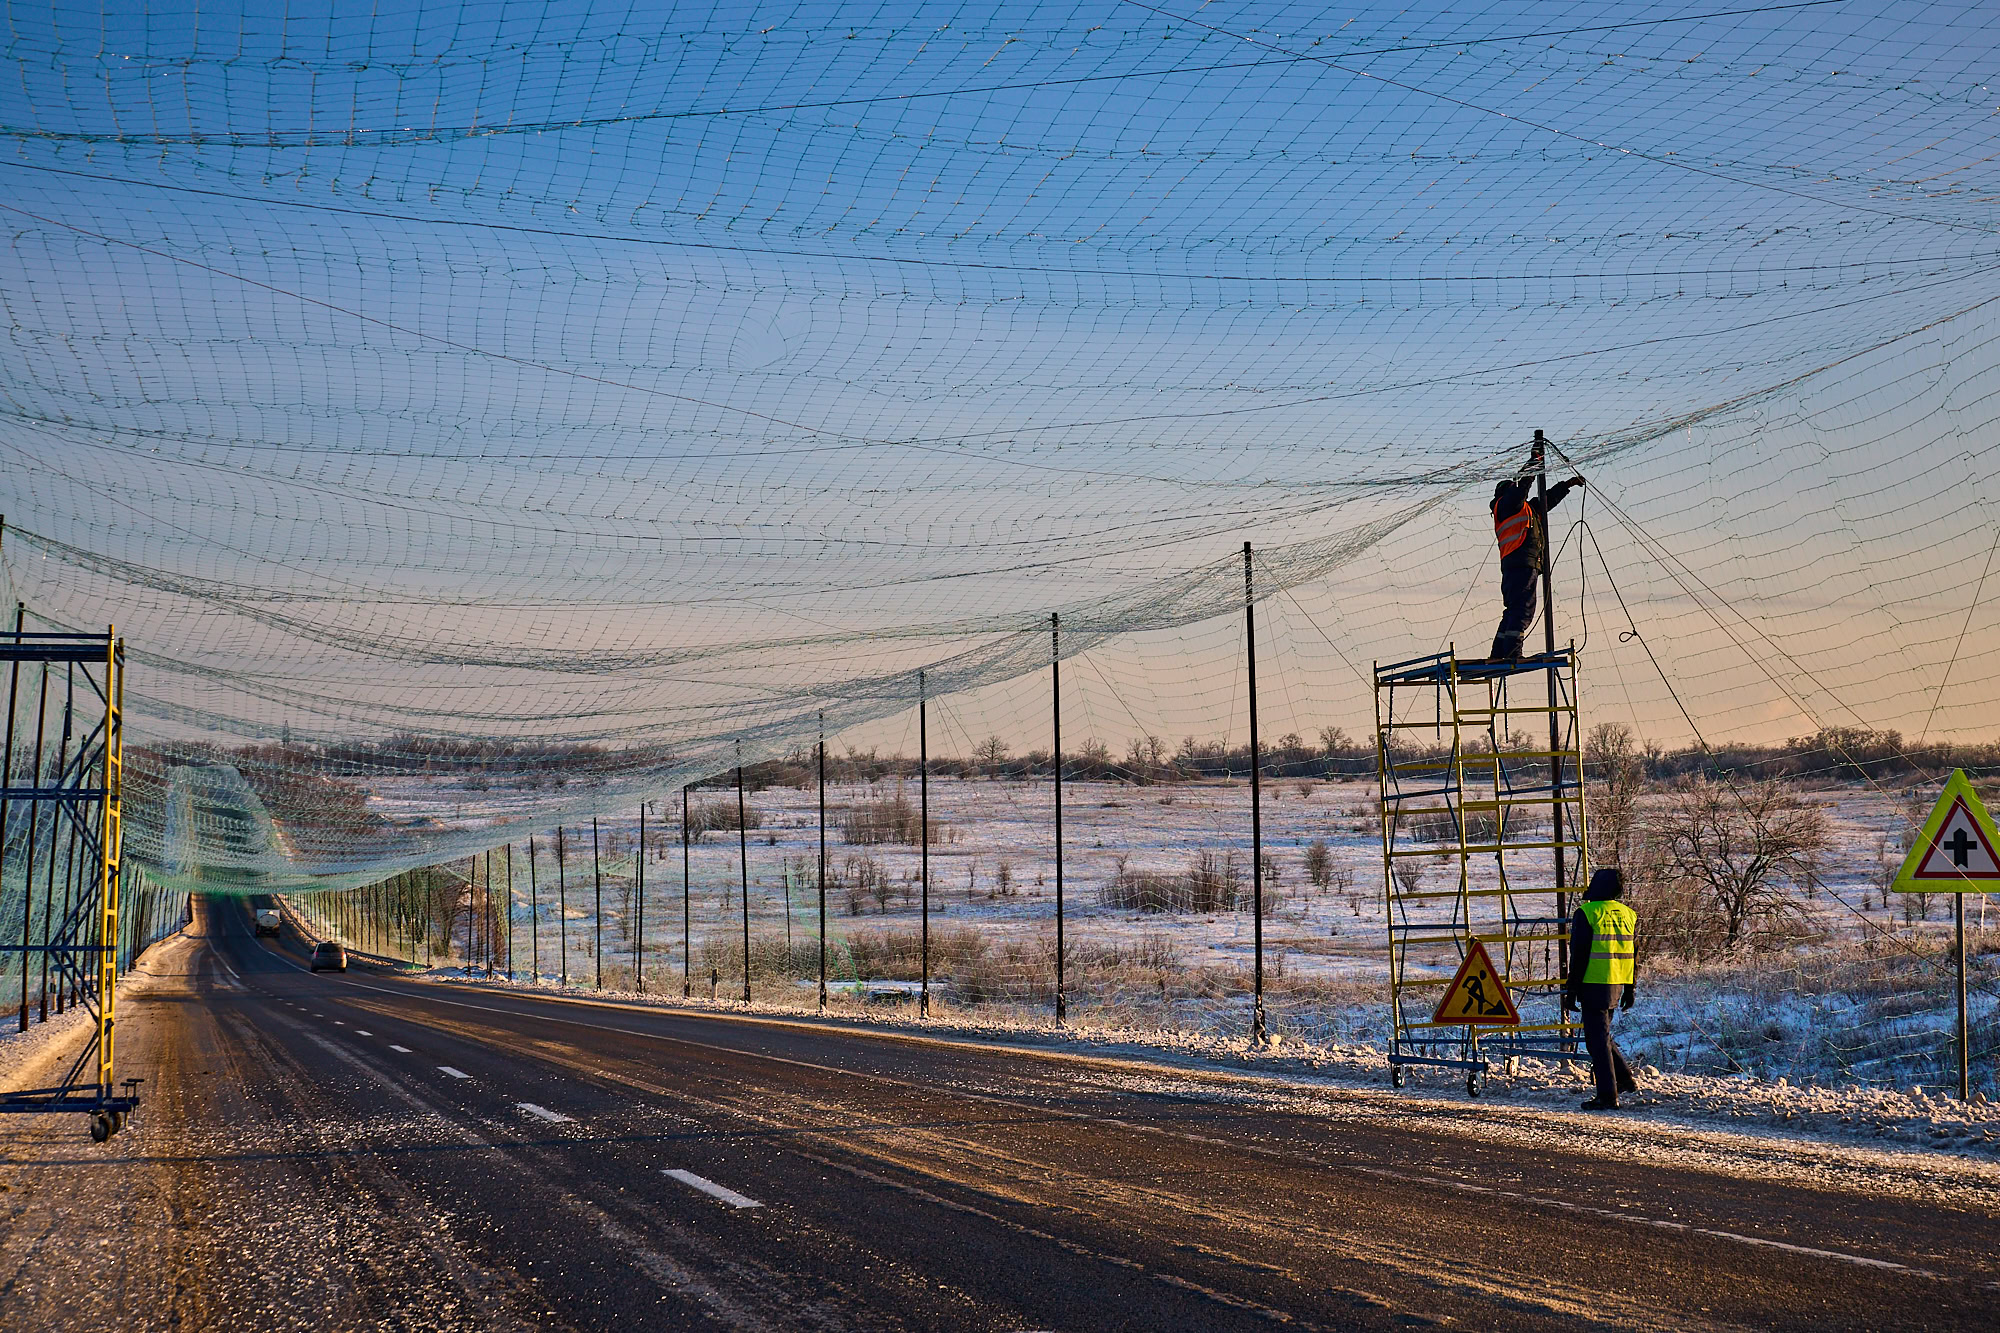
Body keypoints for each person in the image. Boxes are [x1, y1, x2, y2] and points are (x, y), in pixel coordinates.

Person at [1489, 442, 1584, 660]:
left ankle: (1499, 652)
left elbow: (1546, 500)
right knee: (1522, 609)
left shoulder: (1525, 509)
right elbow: (1523, 485)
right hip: (1521, 564)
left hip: (1518, 565)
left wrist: (1568, 484)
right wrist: (1535, 461)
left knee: (1513, 610)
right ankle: (1513, 653)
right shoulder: (1507, 504)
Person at [1565, 866, 1639, 1110]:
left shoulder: (1587, 913)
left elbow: (1579, 955)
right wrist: (1630, 988)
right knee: (1602, 1036)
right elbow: (1632, 953)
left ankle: (1608, 1096)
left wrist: (1571, 989)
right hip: (1617, 982)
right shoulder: (1628, 914)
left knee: (1596, 1041)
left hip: (1594, 982)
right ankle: (1625, 1080)